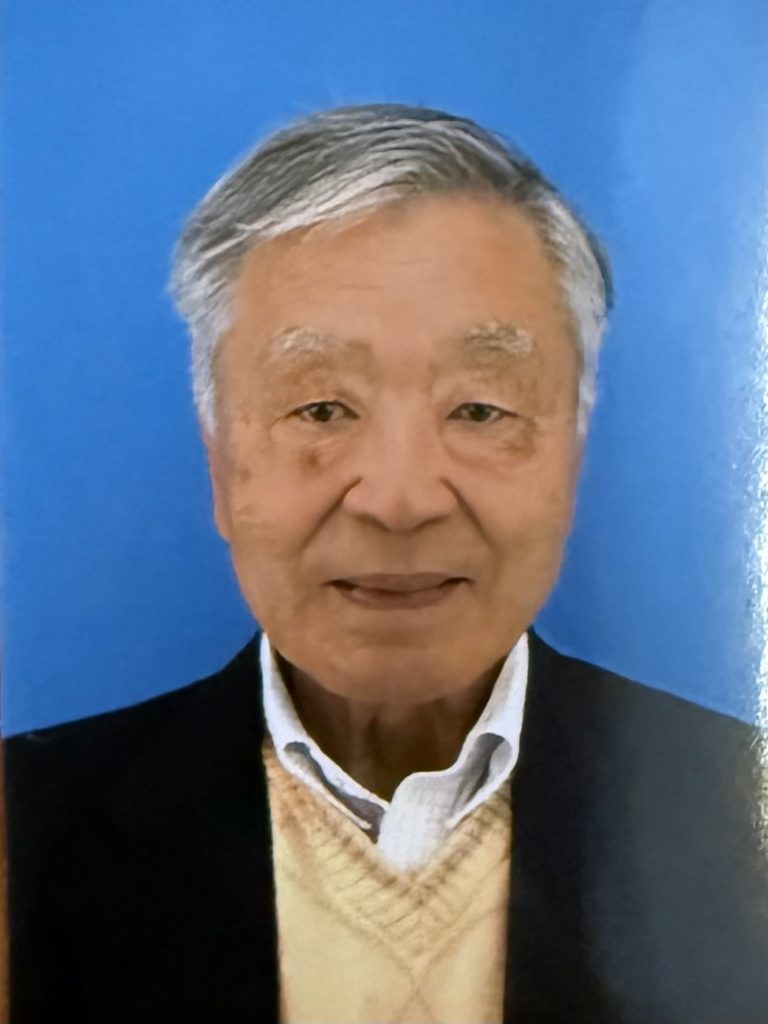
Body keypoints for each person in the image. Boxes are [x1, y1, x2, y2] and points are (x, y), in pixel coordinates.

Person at [5, 104, 768, 1024]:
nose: (400, 500)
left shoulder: (743, 817)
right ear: (220, 460)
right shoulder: (23, 831)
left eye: (479, 410)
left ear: (572, 450)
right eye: (321, 409)